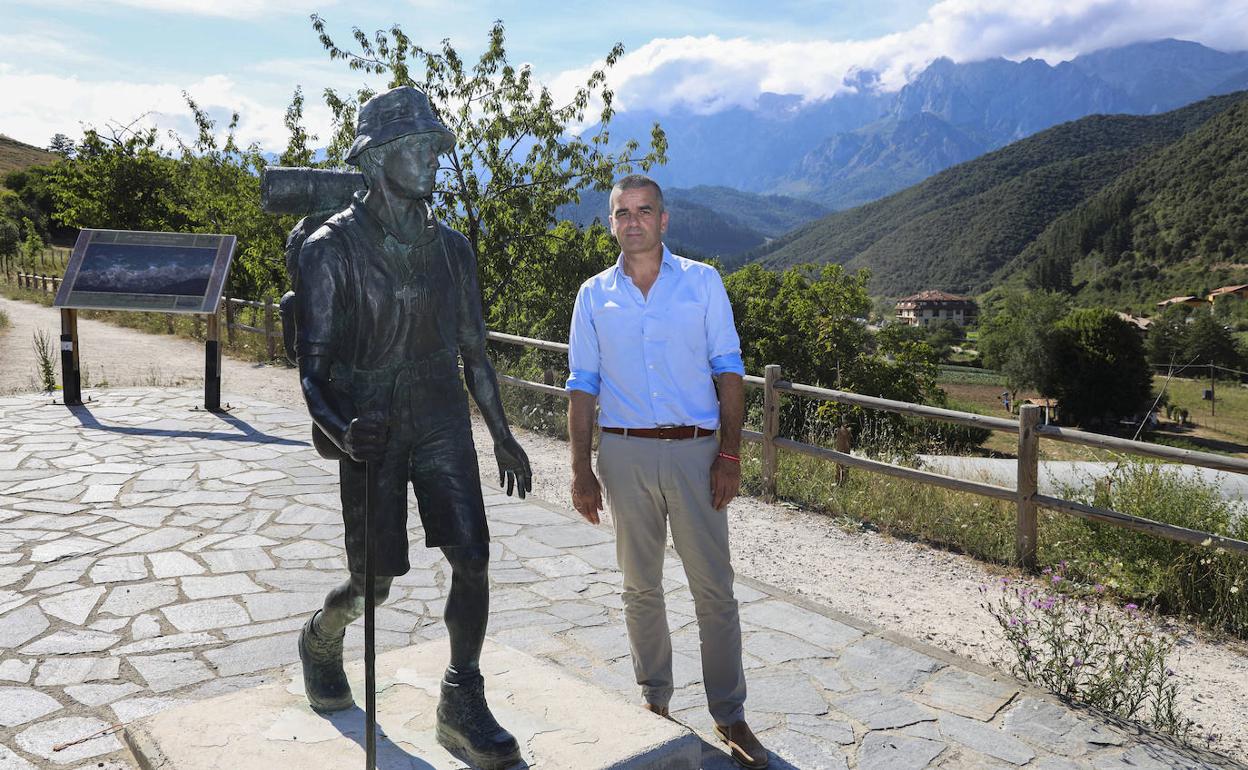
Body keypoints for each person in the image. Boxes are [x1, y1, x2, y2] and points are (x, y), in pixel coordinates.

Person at [293, 86, 532, 770]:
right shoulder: (327, 249)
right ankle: (321, 634)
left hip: (439, 417)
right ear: (377, 160)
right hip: (370, 425)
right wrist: (341, 428)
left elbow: (474, 352)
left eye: (436, 146)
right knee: (374, 584)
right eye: (419, 148)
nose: (435, 159)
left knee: (474, 557)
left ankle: (461, 700)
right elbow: (310, 369)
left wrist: (501, 432)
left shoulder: (452, 249)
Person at [565, 174, 769, 769]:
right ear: (611, 223)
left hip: (696, 453)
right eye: (621, 212)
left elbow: (729, 371)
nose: (633, 221)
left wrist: (730, 454)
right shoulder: (592, 295)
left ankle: (729, 713)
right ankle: (653, 703)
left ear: (664, 219)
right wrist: (581, 468)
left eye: (643, 210)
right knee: (639, 586)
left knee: (714, 590)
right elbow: (582, 384)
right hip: (624, 455)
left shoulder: (703, 284)